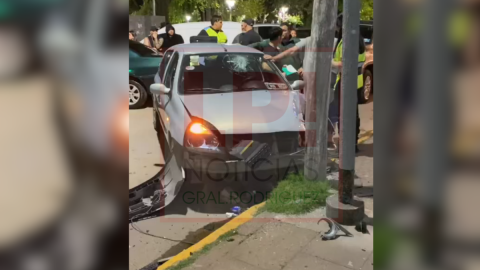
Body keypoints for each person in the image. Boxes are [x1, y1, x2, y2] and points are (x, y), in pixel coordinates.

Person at [330, 13, 366, 153]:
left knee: (343, 115)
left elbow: (343, 64)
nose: (336, 28)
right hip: (357, 82)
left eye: (337, 24)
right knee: (353, 114)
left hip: (345, 82)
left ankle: (347, 146)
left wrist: (330, 61)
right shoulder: (359, 40)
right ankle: (353, 144)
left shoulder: (346, 41)